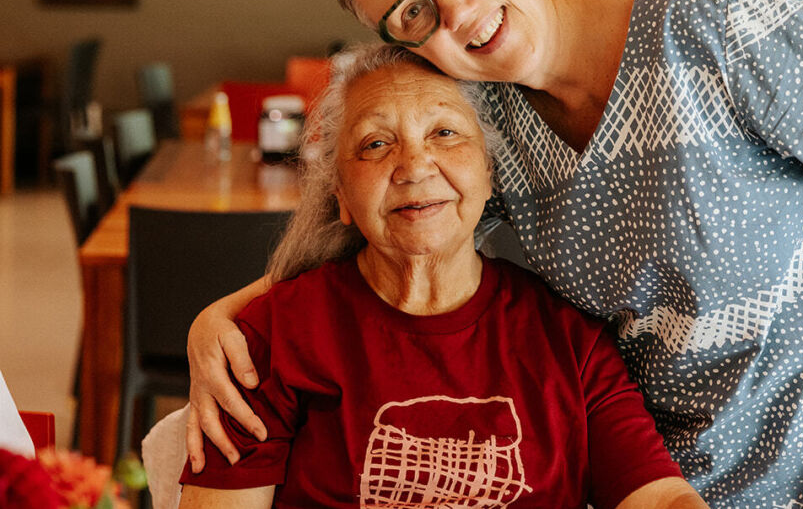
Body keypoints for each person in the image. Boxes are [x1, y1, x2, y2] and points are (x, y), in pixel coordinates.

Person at [188, 0, 803, 508]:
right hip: (684, 480)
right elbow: (398, 227)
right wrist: (225, 317)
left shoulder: (718, 14)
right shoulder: (485, 109)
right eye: (412, 13)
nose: (455, 13)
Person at [178, 44, 709, 509]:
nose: (415, 165)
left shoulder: (570, 341)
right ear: (340, 194)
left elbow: (657, 495)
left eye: (445, 132)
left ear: (488, 173)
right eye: (375, 144)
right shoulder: (266, 342)